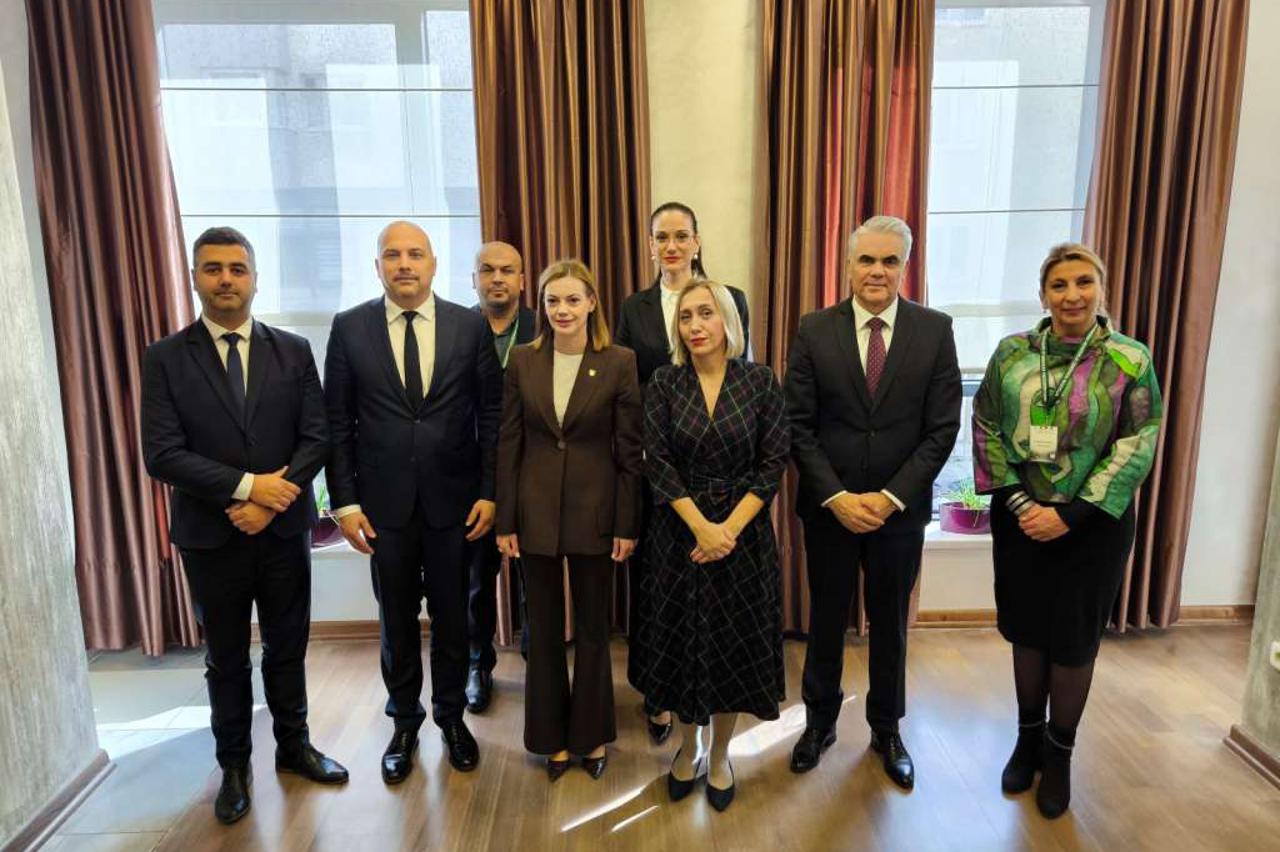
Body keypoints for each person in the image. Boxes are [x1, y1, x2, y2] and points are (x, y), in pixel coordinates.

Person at [142, 227, 347, 825]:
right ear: (195, 279)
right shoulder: (165, 358)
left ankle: (294, 747)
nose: (226, 279)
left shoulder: (293, 350)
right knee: (226, 657)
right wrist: (247, 487)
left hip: (282, 531)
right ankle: (233, 766)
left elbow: (317, 436)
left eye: (237, 268)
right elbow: (162, 454)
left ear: (255, 279)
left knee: (288, 647)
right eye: (213, 269)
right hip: (210, 536)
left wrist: (271, 501)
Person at [973, 242, 1162, 819]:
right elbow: (985, 425)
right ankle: (1027, 741)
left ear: (1101, 290)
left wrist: (1069, 514)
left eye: (1083, 283)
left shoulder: (1129, 360)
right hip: (1020, 521)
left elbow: (1137, 442)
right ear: (1043, 295)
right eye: (1059, 285)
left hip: (1093, 528)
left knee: (1074, 640)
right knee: (1027, 632)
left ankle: (1059, 756)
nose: (1072, 295)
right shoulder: (1012, 354)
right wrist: (1020, 502)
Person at [784, 215, 961, 790]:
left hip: (898, 515)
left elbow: (942, 429)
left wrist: (889, 498)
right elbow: (797, 424)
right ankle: (819, 724)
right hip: (830, 511)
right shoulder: (815, 330)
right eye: (867, 260)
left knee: (890, 624)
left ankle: (887, 729)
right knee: (826, 620)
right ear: (848, 266)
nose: (877, 271)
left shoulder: (935, 330)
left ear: (905, 266)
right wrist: (836, 496)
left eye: (889, 261)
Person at [324, 220, 502, 783]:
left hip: (456, 505)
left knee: (453, 620)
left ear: (433, 264)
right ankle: (404, 723)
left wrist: (490, 491)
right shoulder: (349, 328)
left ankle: (451, 719)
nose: (404, 264)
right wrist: (345, 504)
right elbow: (336, 423)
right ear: (377, 266)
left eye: (415, 254)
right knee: (396, 623)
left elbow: (492, 415)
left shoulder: (469, 326)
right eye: (392, 255)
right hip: (384, 509)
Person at [634, 279, 789, 812]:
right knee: (681, 645)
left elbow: (773, 463)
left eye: (706, 314)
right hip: (678, 534)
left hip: (743, 538)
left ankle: (720, 753)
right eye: (685, 317)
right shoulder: (664, 382)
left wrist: (727, 531)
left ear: (727, 321)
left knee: (731, 648)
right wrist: (701, 526)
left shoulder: (761, 381)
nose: (695, 326)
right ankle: (688, 746)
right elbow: (657, 462)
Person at [495, 259, 642, 781]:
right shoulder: (522, 360)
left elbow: (630, 452)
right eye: (553, 300)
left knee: (594, 630)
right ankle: (550, 740)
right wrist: (505, 520)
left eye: (572, 299)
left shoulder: (619, 361)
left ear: (591, 303)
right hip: (533, 513)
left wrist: (627, 523)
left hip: (597, 514)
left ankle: (590, 737)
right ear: (542, 305)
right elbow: (509, 443)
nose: (562, 310)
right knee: (543, 630)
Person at [615, 200, 750, 744]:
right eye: (661, 237)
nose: (671, 246)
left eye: (680, 235)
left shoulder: (728, 297)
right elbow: (626, 385)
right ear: (650, 245)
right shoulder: (636, 307)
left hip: (719, 470)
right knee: (657, 584)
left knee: (716, 592)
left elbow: (741, 378)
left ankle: (711, 694)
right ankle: (659, 694)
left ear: (696, 241)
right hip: (660, 463)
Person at [466, 240, 538, 712]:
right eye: (487, 270)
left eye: (507, 270)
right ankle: (479, 665)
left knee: (537, 578)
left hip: (534, 471)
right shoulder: (456, 328)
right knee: (476, 581)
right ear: (474, 279)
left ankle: (539, 663)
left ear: (522, 280)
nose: (497, 278)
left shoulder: (544, 326)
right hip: (473, 477)